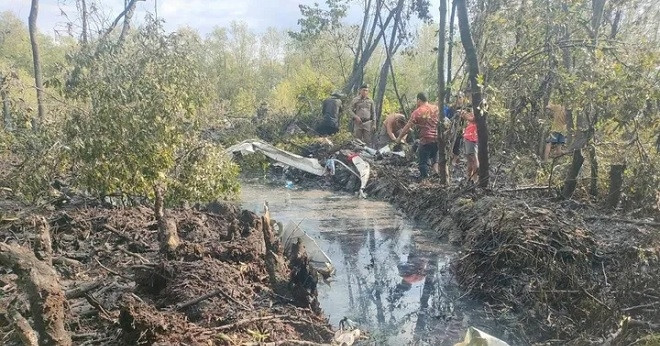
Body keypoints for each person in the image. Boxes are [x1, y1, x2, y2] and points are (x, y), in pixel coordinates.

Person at [396, 92, 439, 179]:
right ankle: (436, 174)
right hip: (437, 138)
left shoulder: (418, 112)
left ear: (419, 100)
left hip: (426, 140)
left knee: (423, 162)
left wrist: (399, 138)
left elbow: (407, 127)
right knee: (435, 159)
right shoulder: (436, 108)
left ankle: (425, 180)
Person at [460, 106, 479, 183]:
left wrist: (465, 115)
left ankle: (475, 179)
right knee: (469, 160)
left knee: (474, 159)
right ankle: (469, 178)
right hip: (468, 137)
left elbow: (474, 119)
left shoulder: (479, 108)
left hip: (472, 138)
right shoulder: (472, 111)